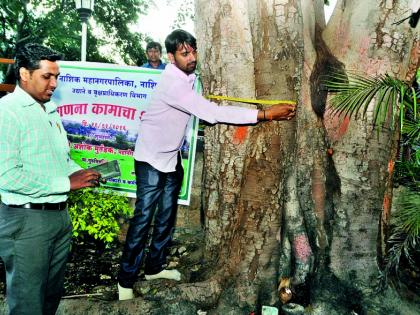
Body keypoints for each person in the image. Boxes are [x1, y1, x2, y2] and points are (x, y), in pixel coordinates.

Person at [117, 29, 296, 300]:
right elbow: (212, 114)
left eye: (193, 52)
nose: (192, 58)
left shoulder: (187, 78)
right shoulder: (173, 84)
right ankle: (125, 283)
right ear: (170, 56)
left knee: (166, 217)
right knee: (143, 220)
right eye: (184, 53)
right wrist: (266, 114)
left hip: (171, 158)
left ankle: (154, 268)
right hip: (151, 160)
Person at [0, 43, 101, 315]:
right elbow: (7, 176)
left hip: (59, 218)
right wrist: (66, 183)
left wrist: (81, 172)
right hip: (26, 222)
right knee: (27, 302)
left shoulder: (49, 109)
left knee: (50, 297)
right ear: (24, 74)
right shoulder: (7, 112)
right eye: (47, 76)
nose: (54, 83)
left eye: (56, 76)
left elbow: (61, 158)